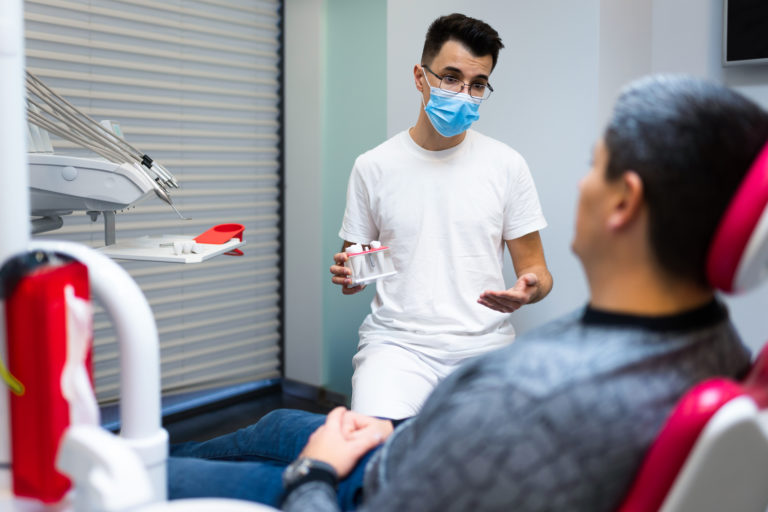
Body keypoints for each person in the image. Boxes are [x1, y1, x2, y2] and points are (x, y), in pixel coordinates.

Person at [169, 75, 767, 511]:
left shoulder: (524, 392)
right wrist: (401, 433)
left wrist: (315, 471)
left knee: (147, 477)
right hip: (413, 440)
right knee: (273, 424)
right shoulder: (717, 347)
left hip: (366, 485)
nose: (582, 182)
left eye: (594, 165)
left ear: (624, 201)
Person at [330, 13, 553, 419]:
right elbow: (358, 271)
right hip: (397, 347)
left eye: (478, 84)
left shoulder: (506, 165)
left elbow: (537, 270)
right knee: (377, 448)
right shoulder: (373, 166)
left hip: (483, 349)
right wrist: (351, 275)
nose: (464, 93)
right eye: (450, 78)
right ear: (420, 77)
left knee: (483, 462)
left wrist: (528, 289)